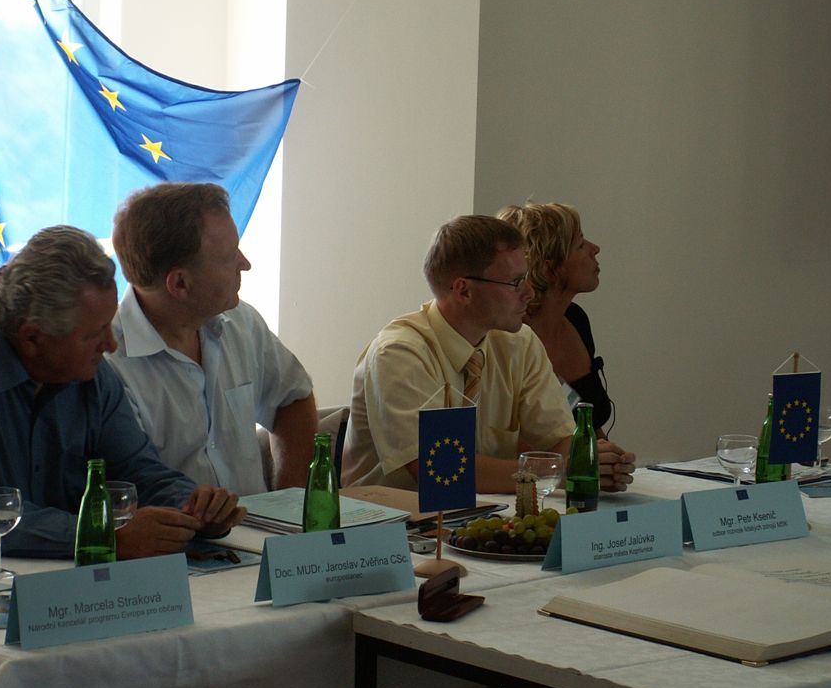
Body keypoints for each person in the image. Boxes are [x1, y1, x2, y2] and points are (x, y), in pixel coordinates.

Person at [0, 226, 245, 567]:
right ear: (32, 338)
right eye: (93, 334)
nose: (110, 345)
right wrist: (105, 536)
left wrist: (194, 507)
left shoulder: (91, 376)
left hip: (33, 579)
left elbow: (139, 472)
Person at [342, 214, 635, 494]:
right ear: (464, 291)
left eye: (527, 278)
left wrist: (593, 461)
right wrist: (556, 471)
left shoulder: (519, 342)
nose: (530, 292)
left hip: (486, 513)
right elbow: (440, 468)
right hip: (392, 520)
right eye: (515, 282)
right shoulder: (399, 353)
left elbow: (559, 440)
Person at [107, 182, 317, 495]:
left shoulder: (241, 322)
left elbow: (292, 399)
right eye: (230, 256)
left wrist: (289, 498)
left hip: (259, 524)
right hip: (176, 527)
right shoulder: (108, 364)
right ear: (180, 283)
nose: (245, 263)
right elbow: (129, 487)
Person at [497, 202, 615, 436]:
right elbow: (504, 440)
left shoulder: (575, 319)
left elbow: (587, 427)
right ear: (550, 269)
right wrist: (580, 454)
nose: (595, 248)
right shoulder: (508, 339)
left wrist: (611, 455)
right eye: (580, 245)